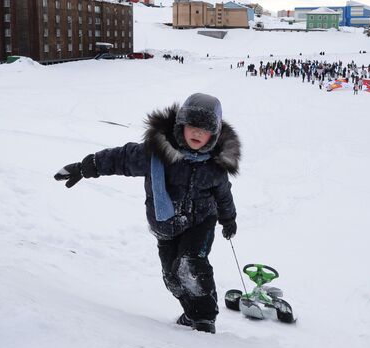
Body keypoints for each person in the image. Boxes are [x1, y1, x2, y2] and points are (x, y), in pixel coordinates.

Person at [54, 93, 241, 334]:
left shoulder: (215, 166)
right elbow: (120, 159)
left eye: (203, 130)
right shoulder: (157, 153)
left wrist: (228, 218)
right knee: (172, 277)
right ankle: (191, 312)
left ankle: (205, 318)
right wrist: (84, 167)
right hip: (166, 225)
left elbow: (224, 194)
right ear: (181, 126)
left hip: (200, 221)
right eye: (192, 126)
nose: (196, 133)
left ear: (213, 134)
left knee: (190, 264)